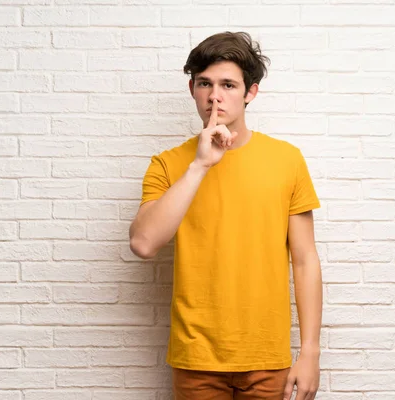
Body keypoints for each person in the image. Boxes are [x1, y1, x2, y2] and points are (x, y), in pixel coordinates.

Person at [129, 31, 322, 400]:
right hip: (196, 359)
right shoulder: (169, 164)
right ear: (192, 89)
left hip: (267, 356)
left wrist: (310, 351)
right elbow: (143, 243)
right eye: (205, 83)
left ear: (250, 92)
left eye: (228, 85)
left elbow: (305, 258)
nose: (214, 96)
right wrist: (200, 165)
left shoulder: (287, 159)